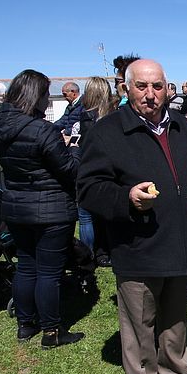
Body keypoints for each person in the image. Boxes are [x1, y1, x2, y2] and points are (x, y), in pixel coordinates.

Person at [77, 59, 187, 374]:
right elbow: (88, 188)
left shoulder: (183, 127)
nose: (151, 94)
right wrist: (126, 198)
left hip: (181, 241)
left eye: (157, 86)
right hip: (138, 245)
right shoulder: (107, 132)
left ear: (168, 89)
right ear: (126, 89)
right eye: (142, 86)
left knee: (175, 319)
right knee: (140, 324)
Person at [0, 69, 84, 348]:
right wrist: (74, 149)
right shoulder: (42, 130)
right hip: (50, 207)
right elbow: (68, 169)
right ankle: (51, 330)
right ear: (35, 96)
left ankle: (25, 323)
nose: (46, 100)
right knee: (49, 272)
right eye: (45, 95)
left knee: (26, 265)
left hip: (17, 204)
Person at [75, 76, 116, 259]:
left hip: (88, 166)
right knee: (105, 213)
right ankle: (104, 250)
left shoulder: (86, 116)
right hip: (108, 167)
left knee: (86, 216)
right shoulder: (113, 116)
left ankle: (88, 253)